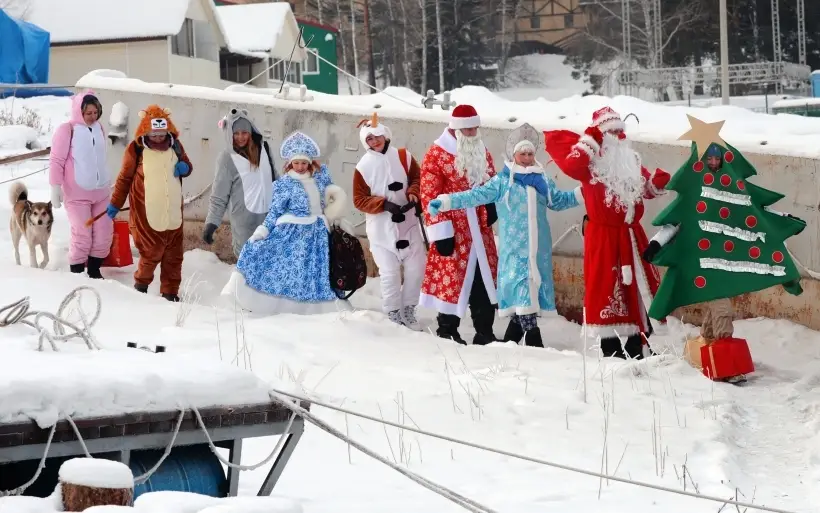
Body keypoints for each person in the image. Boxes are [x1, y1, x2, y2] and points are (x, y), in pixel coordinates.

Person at [428, 123, 583, 347]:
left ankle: (512, 338)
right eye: (523, 153)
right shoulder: (502, 182)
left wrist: (583, 192)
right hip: (515, 249)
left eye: (530, 153)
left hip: (539, 248)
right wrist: (446, 201)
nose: (527, 157)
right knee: (522, 290)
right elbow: (475, 195)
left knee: (530, 291)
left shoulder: (543, 180)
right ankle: (534, 340)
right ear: (514, 155)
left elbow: (559, 201)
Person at [545, 106, 670, 359]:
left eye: (619, 131)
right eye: (611, 131)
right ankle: (610, 348)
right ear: (601, 134)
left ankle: (640, 345)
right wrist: (591, 138)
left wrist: (655, 183)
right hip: (603, 237)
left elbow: (644, 189)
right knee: (606, 288)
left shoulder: (630, 161)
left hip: (631, 235)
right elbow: (571, 166)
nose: (618, 136)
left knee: (637, 289)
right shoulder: (589, 162)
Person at [221, 131, 349, 315]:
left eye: (304, 163)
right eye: (296, 163)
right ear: (290, 163)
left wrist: (335, 215)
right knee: (290, 271)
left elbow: (330, 197)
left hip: (318, 235)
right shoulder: (284, 185)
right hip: (293, 233)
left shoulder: (320, 178)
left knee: (314, 273)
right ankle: (278, 306)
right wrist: (263, 230)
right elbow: (275, 212)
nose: (300, 167)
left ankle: (319, 309)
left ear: (310, 163)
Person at [419, 104, 500, 345]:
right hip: (454, 229)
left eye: (476, 128)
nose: (474, 133)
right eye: (469, 129)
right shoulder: (436, 154)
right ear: (457, 129)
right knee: (452, 280)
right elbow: (428, 194)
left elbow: (492, 179)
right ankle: (447, 329)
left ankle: (484, 331)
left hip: (481, 230)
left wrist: (491, 205)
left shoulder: (481, 150)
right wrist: (440, 232)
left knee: (484, 280)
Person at [108, 105, 193, 302]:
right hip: (147, 214)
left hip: (173, 213)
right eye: (153, 134)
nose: (157, 138)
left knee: (174, 256)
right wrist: (115, 203)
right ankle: (141, 287)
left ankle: (170, 293)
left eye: (161, 134)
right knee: (150, 253)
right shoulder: (136, 149)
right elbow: (124, 179)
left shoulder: (176, 146)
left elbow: (188, 166)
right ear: (145, 131)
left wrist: (184, 167)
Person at [352, 113, 426, 330]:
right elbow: (359, 199)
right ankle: (393, 312)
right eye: (369, 139)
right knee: (390, 273)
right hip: (382, 229)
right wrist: (383, 205)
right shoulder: (363, 167)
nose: (375, 142)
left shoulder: (404, 156)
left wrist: (413, 193)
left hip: (409, 225)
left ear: (385, 134)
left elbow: (417, 178)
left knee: (416, 269)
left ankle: (410, 309)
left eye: (377, 136)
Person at [49, 90, 112, 278]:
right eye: (88, 113)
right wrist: (55, 187)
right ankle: (76, 272)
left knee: (103, 233)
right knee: (82, 234)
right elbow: (56, 160)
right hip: (76, 193)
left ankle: (94, 270)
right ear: (79, 111)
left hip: (101, 192)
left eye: (95, 112)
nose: (92, 117)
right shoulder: (66, 130)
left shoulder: (99, 128)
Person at [203, 107, 277, 258]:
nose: (240, 137)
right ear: (230, 133)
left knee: (269, 263)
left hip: (269, 218)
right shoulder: (226, 158)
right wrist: (212, 223)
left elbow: (276, 179)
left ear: (251, 132)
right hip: (244, 223)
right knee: (246, 265)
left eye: (244, 133)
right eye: (236, 133)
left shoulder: (264, 150)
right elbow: (219, 195)